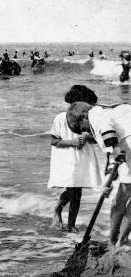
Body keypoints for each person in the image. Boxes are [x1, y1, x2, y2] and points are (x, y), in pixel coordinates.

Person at [66, 102, 131, 246]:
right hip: (127, 147)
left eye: (81, 128)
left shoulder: (95, 114)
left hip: (129, 145)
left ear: (83, 116)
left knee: (119, 201)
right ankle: (121, 240)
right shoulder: (110, 110)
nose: (85, 132)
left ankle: (114, 242)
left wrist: (114, 148)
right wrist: (110, 181)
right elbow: (114, 157)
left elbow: (106, 128)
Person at [48, 85, 101, 233]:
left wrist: (89, 137)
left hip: (82, 158)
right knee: (73, 190)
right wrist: (72, 142)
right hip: (67, 157)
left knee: (77, 192)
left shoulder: (90, 119)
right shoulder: (60, 118)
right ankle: (59, 211)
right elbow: (54, 140)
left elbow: (98, 139)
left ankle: (70, 223)